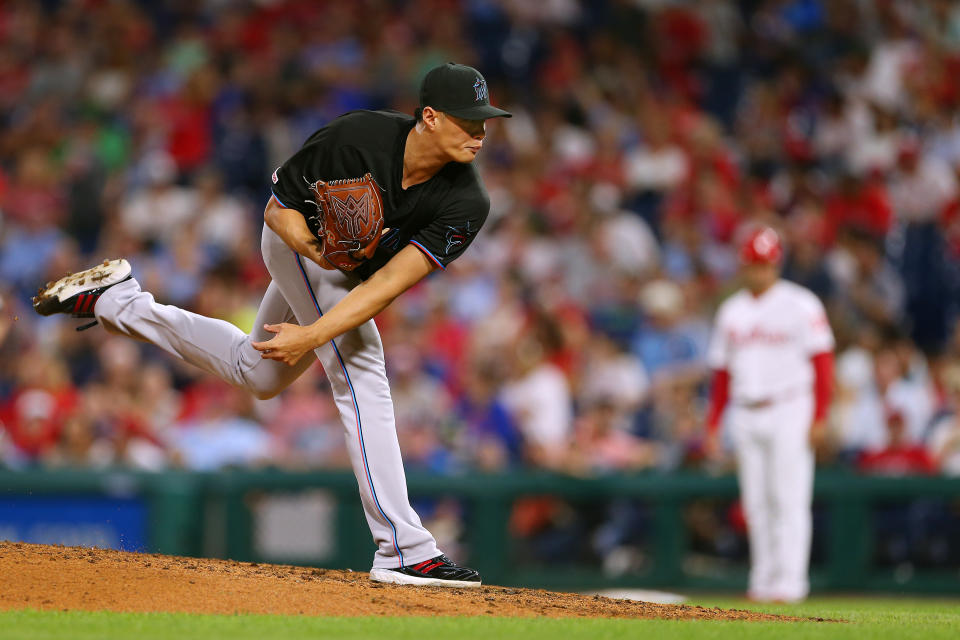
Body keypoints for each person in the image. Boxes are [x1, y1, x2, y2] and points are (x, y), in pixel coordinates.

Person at [32, 63, 511, 588]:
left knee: (257, 374)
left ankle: (118, 301)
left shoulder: (467, 199)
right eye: (469, 120)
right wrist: (312, 247)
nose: (480, 132)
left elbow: (387, 286)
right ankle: (403, 547)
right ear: (429, 117)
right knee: (362, 369)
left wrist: (312, 333)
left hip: (349, 276)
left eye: (485, 121)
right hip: (293, 244)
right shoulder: (359, 137)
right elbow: (277, 210)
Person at [704, 225, 835, 603]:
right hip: (745, 409)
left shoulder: (802, 303)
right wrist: (713, 421)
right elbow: (721, 373)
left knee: (788, 498)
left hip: (790, 406)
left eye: (764, 264)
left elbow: (823, 362)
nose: (758, 271)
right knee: (756, 503)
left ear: (776, 263)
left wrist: (820, 415)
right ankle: (762, 581)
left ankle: (791, 584)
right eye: (752, 264)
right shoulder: (732, 310)